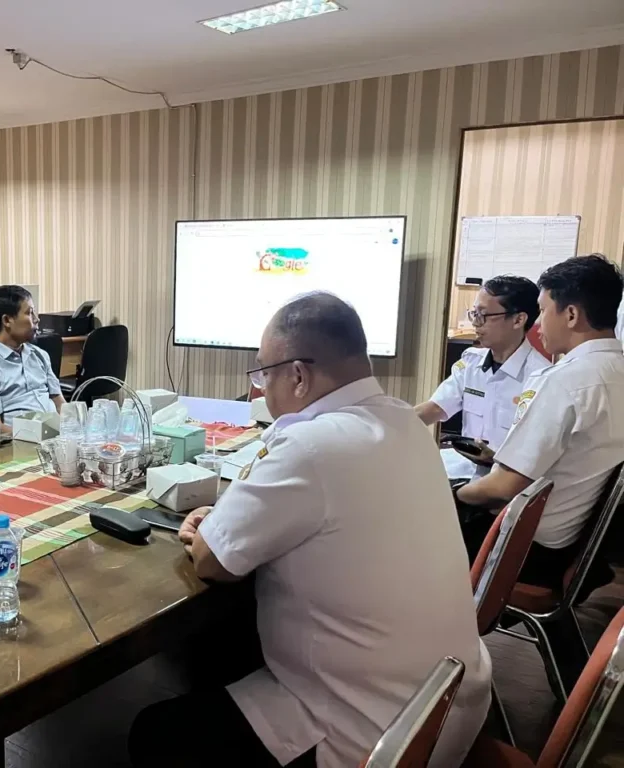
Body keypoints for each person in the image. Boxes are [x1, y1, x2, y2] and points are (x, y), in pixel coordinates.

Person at [129, 293, 490, 768]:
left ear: (297, 375)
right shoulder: (404, 421)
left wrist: (206, 530)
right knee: (230, 642)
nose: (259, 388)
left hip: (374, 737)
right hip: (445, 701)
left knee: (155, 733)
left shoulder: (309, 445)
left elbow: (214, 561)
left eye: (263, 372)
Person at [456, 254, 624, 588]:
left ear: (572, 314)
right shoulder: (616, 371)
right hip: (572, 544)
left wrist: (453, 494)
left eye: (544, 310)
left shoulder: (563, 381)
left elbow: (504, 486)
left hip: (524, 548)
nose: (537, 324)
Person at [415, 275, 546, 467]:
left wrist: (495, 460)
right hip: (466, 470)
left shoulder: (541, 376)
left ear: (518, 320)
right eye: (474, 314)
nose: (476, 323)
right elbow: (434, 408)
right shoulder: (471, 363)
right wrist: (384, 423)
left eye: (483, 315)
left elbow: (539, 453)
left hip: (508, 481)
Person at [0, 285, 65, 425]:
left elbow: (60, 404)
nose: (37, 319)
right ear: (7, 320)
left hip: (56, 439)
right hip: (20, 443)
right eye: (30, 313)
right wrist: (41, 434)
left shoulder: (39, 355)